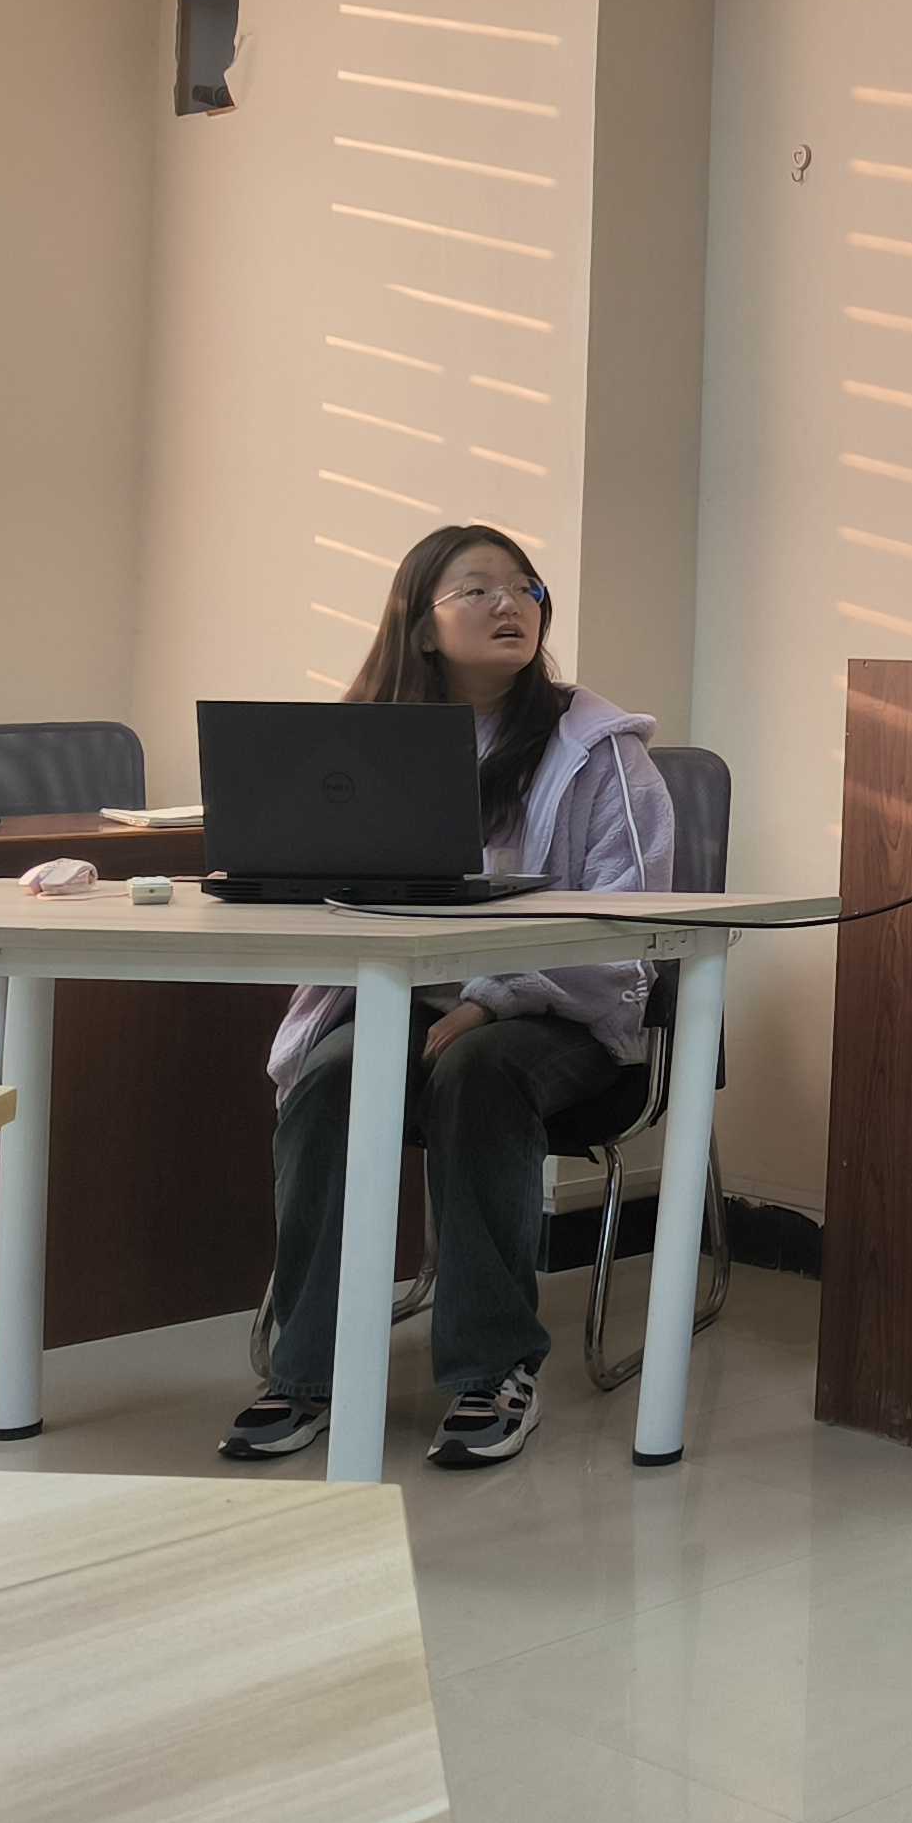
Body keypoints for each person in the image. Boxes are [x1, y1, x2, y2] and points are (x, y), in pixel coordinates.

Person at [225, 522, 674, 1470]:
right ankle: (307, 1370)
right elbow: (324, 889)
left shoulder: (598, 748)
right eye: (477, 589)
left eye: (525, 588)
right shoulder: (359, 748)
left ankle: (492, 1368)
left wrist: (492, 998)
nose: (510, 604)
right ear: (422, 626)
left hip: (562, 1012)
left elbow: (631, 915)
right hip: (401, 1002)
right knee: (331, 1076)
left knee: (477, 1071)